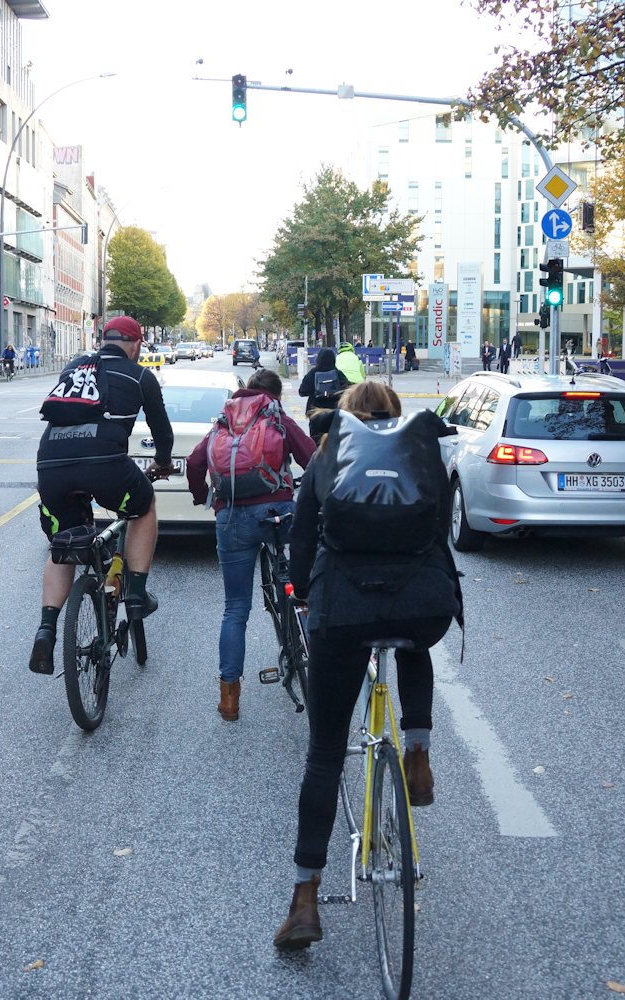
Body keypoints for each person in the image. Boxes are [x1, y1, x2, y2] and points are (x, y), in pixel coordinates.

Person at [273, 380, 462, 951]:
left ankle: (306, 898)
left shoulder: (331, 453)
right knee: (413, 643)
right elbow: (438, 533)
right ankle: (419, 749)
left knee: (325, 757)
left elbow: (303, 537)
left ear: (349, 416)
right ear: (396, 416)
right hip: (419, 604)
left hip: (344, 611)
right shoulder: (423, 452)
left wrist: (304, 590)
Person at [29, 315, 175, 675]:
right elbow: (163, 434)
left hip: (51, 464)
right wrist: (161, 464)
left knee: (63, 545)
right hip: (105, 465)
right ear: (137, 345)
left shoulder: (76, 366)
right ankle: (137, 593)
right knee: (142, 506)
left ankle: (46, 629)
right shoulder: (140, 375)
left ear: (101, 341)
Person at [186, 368, 317, 721]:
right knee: (300, 586)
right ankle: (311, 649)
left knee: (236, 607)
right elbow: (313, 459)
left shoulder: (223, 421)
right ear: (274, 395)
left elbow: (194, 463)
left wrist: (204, 497)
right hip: (278, 512)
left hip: (232, 518)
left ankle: (229, 698)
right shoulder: (277, 416)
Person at [298, 347, 350, 415]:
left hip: (315, 410)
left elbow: (302, 392)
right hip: (334, 410)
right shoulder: (338, 374)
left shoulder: (312, 373)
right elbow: (347, 389)